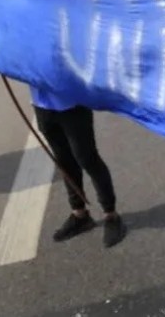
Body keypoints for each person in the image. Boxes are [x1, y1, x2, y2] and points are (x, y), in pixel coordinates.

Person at [31, 86, 127, 248]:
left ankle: (111, 214)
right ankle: (79, 214)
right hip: (42, 105)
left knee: (87, 159)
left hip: (73, 104)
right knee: (64, 161)